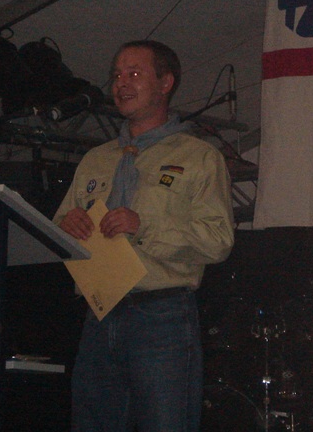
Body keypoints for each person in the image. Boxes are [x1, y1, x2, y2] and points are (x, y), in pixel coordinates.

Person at [54, 39, 235, 432]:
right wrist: (66, 226)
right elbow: (60, 225)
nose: (121, 83)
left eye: (134, 73)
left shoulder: (198, 157)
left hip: (161, 315)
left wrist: (145, 226)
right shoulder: (96, 159)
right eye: (116, 75)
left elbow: (218, 239)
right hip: (98, 313)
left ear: (165, 83)